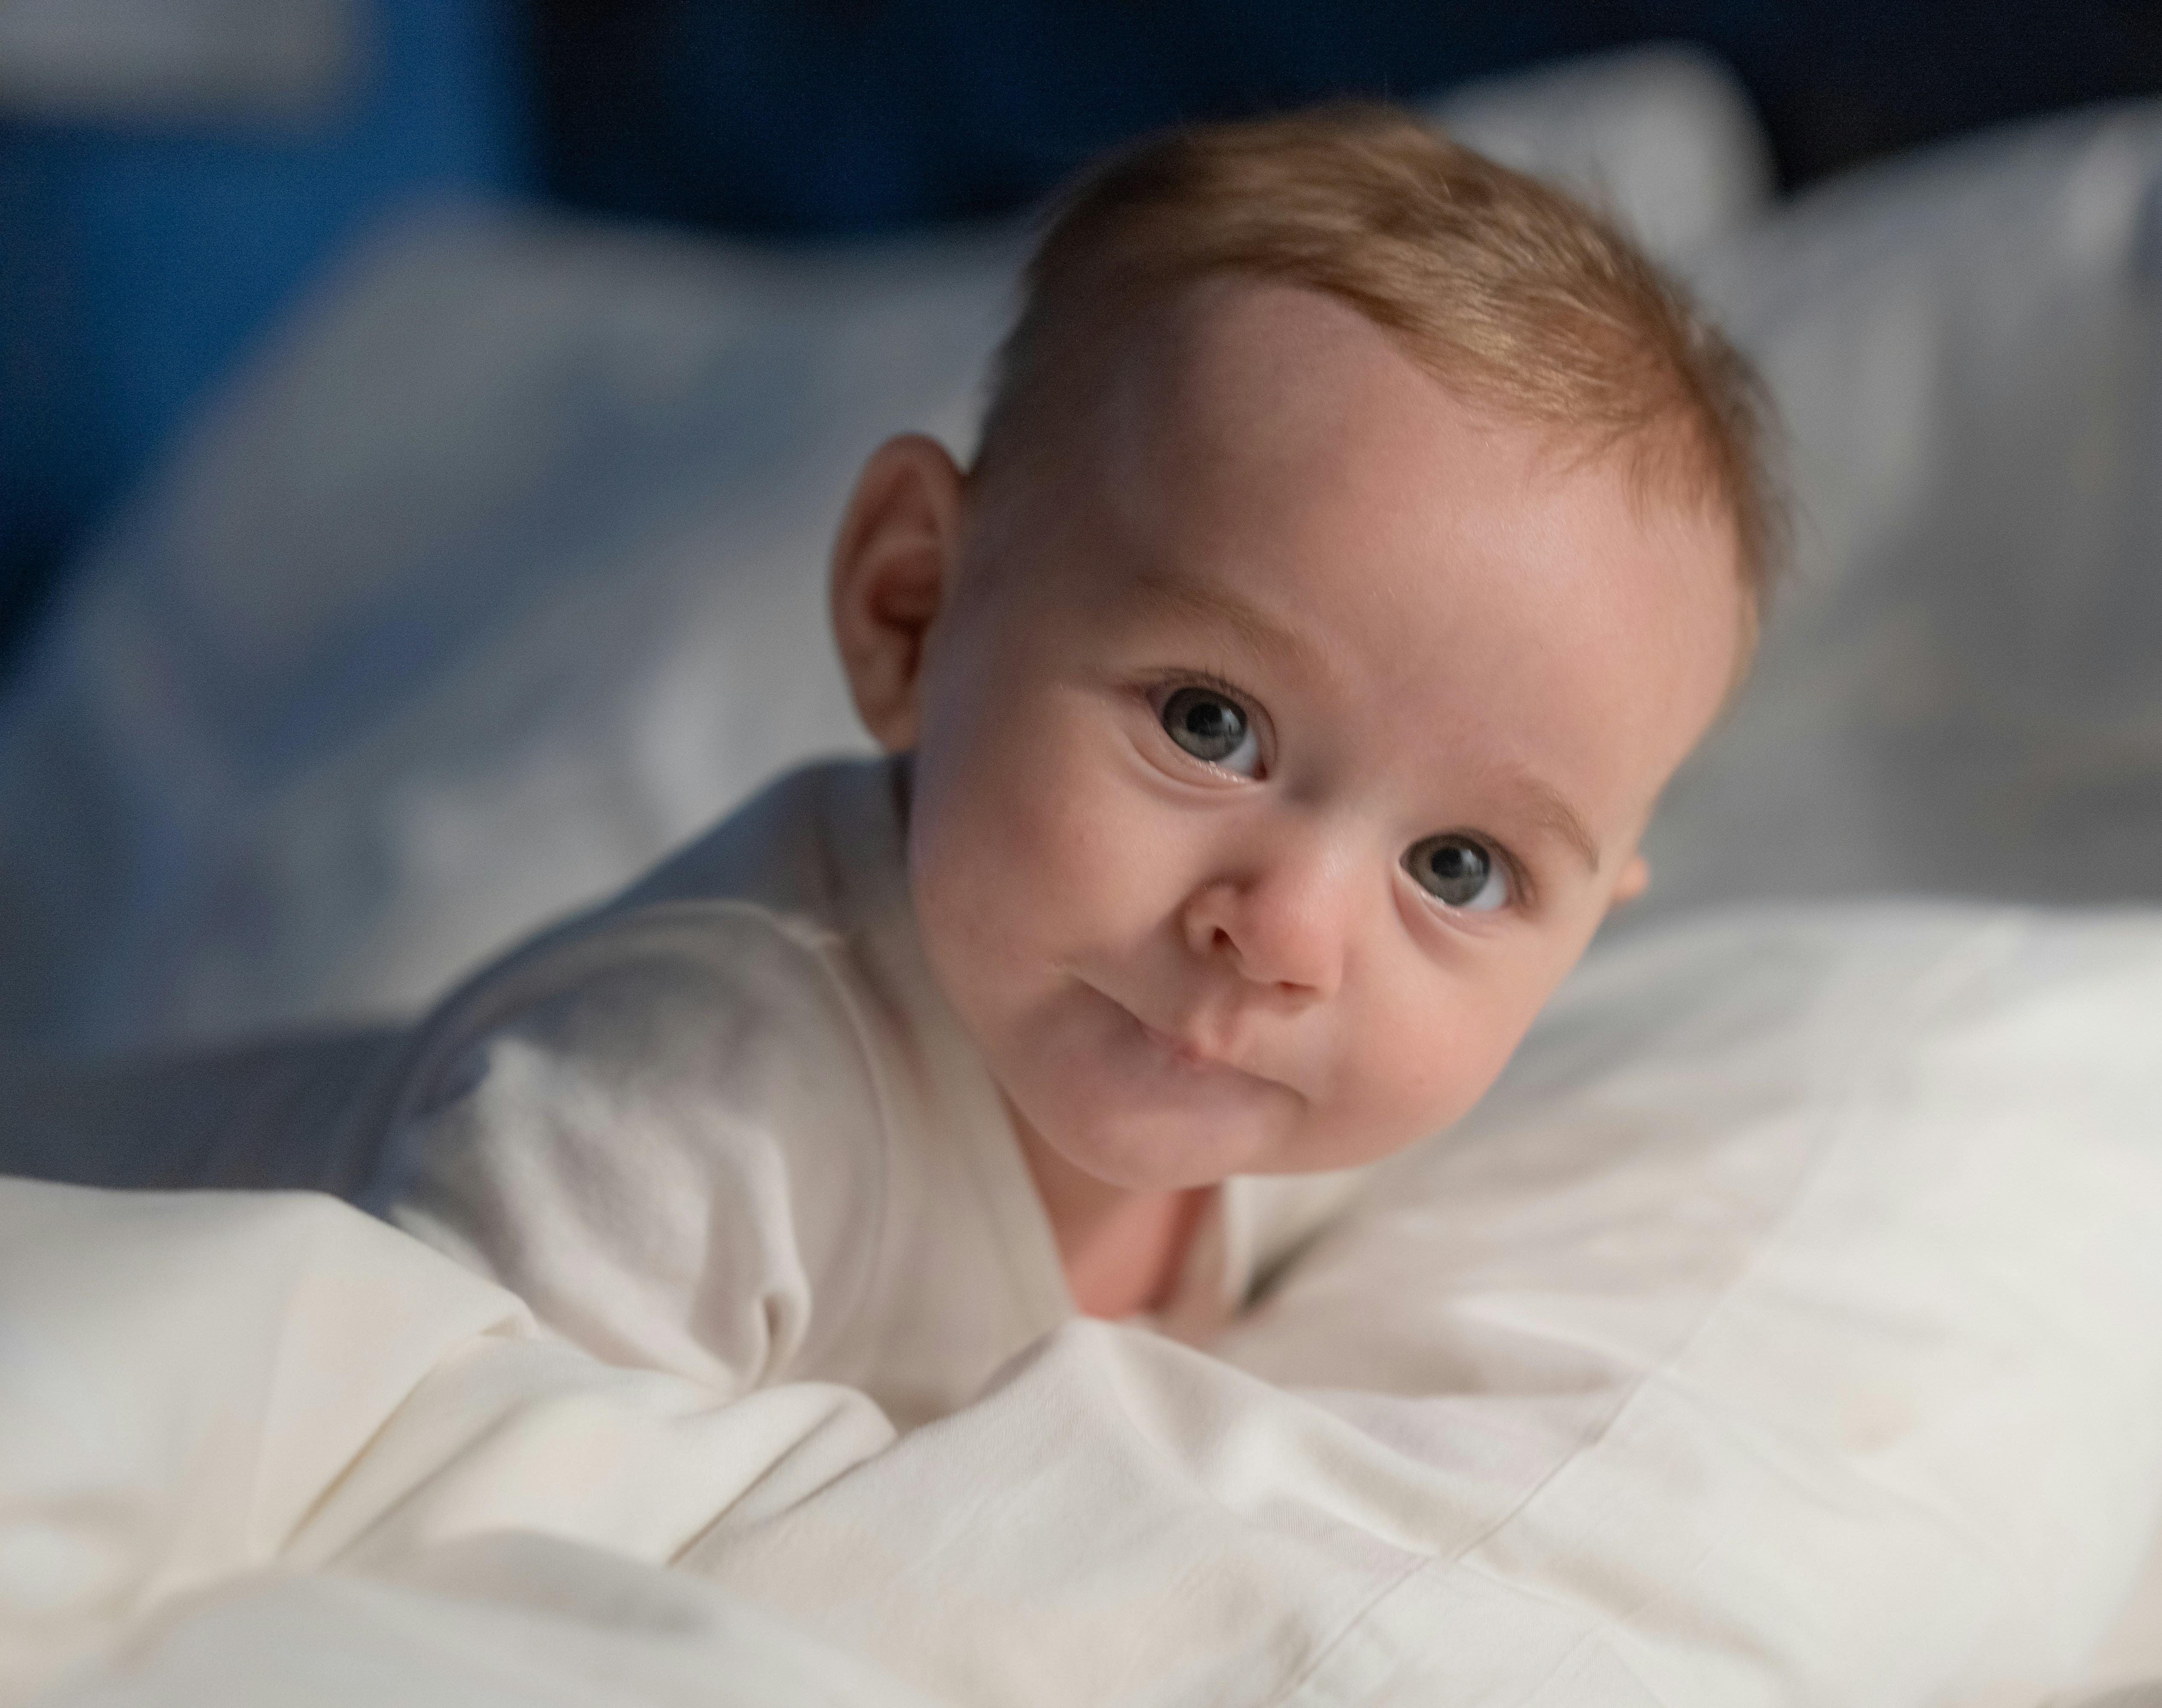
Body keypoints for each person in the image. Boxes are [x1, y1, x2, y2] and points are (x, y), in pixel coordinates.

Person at [344, 105, 1779, 1430]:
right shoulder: (674, 1113)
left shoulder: (1296, 1120)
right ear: (912, 609)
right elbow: (428, 1542)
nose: (1285, 936)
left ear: (1587, 929)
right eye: (1210, 726)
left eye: (1456, 870)